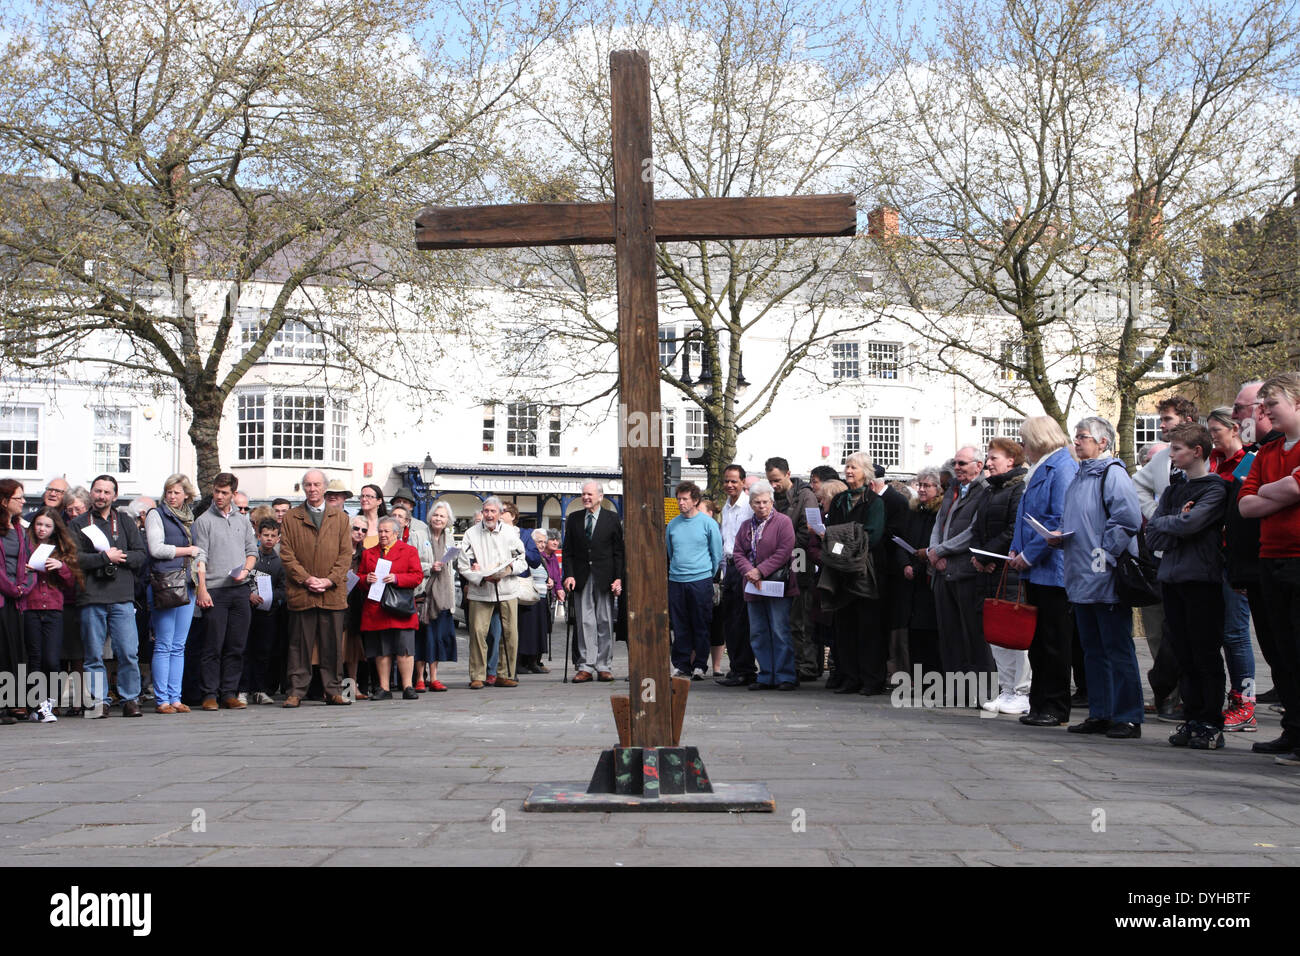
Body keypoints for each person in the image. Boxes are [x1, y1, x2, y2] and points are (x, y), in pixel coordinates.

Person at [1057, 417, 1144, 739]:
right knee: (1092, 649)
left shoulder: (1113, 474)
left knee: (1117, 647)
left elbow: (1127, 518)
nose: (1076, 442)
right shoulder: (1079, 478)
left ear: (1102, 442)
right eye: (1076, 437)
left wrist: (1105, 554)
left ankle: (1128, 715)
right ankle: (1101, 711)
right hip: (1080, 575)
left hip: (1103, 575)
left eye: (1082, 437)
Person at [1146, 422, 1229, 750]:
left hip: (1201, 579)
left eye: (1177, 449)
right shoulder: (1174, 489)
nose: (1172, 455)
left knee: (1205, 652)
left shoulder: (1214, 488)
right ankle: (1192, 717)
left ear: (1196, 451)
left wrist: (1176, 522)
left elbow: (1192, 523)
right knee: (1183, 652)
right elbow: (1153, 530)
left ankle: (1211, 721)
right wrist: (1175, 521)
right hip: (1172, 577)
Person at [1238, 373, 1300, 766]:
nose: (1264, 412)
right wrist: (1278, 489)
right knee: (1280, 651)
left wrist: (1267, 490)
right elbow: (1245, 504)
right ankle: (1293, 729)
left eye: (1271, 404)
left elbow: (1296, 488)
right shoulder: (1269, 450)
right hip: (1270, 558)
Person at [1008, 416, 1079, 727]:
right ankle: (1040, 703)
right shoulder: (1043, 467)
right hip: (1035, 568)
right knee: (1039, 641)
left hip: (1052, 567)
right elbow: (1025, 515)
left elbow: (1059, 518)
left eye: (1024, 440)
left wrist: (1029, 553)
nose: (1022, 446)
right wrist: (1015, 548)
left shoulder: (1062, 466)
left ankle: (1054, 705)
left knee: (1053, 640)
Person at [1133, 395, 1198, 721]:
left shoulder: (1203, 456)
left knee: (1189, 632)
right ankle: (1167, 696)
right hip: (1160, 555)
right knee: (1157, 629)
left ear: (1186, 418)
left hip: (1195, 558)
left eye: (1167, 420)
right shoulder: (1161, 461)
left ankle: (1194, 696)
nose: (1161, 426)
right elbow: (1138, 486)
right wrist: (1156, 515)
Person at [70, 474, 147, 718]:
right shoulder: (79, 523)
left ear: (114, 496)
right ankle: (98, 701)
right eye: (97, 491)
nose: (101, 496)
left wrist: (119, 557)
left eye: (106, 492)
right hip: (91, 596)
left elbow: (140, 555)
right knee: (93, 654)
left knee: (128, 652)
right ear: (91, 493)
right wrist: (104, 558)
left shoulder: (124, 521)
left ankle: (130, 699)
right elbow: (75, 559)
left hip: (122, 597)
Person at [278, 469, 354, 708]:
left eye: (316, 484)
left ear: (325, 487)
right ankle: (296, 691)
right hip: (302, 592)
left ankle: (333, 690)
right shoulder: (292, 517)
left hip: (332, 593)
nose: (312, 489)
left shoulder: (341, 518)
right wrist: (306, 579)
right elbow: (287, 554)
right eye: (308, 485)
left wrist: (330, 580)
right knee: (299, 644)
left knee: (333, 644)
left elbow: (345, 555)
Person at [969, 437, 1030, 714]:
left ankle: (1021, 691)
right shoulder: (988, 491)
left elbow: (1012, 528)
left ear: (1011, 461)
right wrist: (980, 556)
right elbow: (978, 527)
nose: (989, 463)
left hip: (1010, 570)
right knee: (997, 633)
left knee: (1014, 632)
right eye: (988, 457)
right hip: (991, 569)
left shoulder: (1019, 489)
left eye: (994, 458)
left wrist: (987, 555)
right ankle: (1006, 689)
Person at [927, 445, 992, 701]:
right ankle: (956, 690)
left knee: (973, 635)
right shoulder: (952, 489)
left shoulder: (984, 491)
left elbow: (973, 531)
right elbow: (939, 522)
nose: (958, 468)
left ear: (978, 465)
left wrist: (942, 550)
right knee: (949, 634)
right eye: (956, 463)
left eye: (963, 463)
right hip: (944, 571)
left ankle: (983, 691)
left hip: (966, 570)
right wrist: (935, 550)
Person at [1207, 405, 1256, 732]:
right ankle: (1228, 698)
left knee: (1236, 633)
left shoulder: (1250, 461)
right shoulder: (1214, 462)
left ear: (1235, 429)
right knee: (1218, 632)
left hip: (1235, 558)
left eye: (1217, 431)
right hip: (1211, 557)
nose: (1212, 438)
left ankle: (1245, 703)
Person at [192, 472, 258, 711]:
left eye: (224, 493)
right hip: (215, 590)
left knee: (237, 644)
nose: (219, 496)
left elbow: (253, 551)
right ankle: (209, 693)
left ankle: (229, 692)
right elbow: (200, 556)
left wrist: (246, 571)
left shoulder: (242, 520)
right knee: (213, 645)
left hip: (239, 589)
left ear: (233, 494)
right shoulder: (203, 521)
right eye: (216, 492)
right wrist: (202, 588)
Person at [825, 452, 887, 695]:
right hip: (840, 571)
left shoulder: (875, 502)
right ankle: (850, 677)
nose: (848, 471)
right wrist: (846, 543)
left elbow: (872, 535)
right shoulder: (840, 500)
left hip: (864, 573)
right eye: (847, 466)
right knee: (845, 628)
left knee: (868, 629)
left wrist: (846, 543)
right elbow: (832, 533)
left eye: (854, 467)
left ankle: (871, 680)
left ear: (866, 472)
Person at [144, 474, 204, 715]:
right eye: (169, 491)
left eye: (177, 492)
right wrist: (187, 550)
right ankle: (161, 700)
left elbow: (201, 553)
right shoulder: (156, 515)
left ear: (186, 495)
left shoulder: (190, 518)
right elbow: (156, 549)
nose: (172, 496)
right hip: (166, 585)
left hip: (187, 584)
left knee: (179, 645)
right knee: (164, 644)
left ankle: (175, 697)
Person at [732, 480, 799, 690]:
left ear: (771, 502)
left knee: (779, 630)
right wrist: (749, 572)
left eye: (765, 502)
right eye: (757, 502)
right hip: (753, 586)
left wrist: (761, 570)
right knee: (759, 632)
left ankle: (785, 675)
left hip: (776, 584)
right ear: (751, 504)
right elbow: (738, 553)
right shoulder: (745, 526)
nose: (761, 506)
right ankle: (766, 674)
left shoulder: (783, 522)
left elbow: (784, 551)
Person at [457, 496, 526, 689]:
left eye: (492, 511)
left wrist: (509, 570)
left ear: (499, 513)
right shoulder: (471, 533)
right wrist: (479, 576)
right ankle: (477, 675)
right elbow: (463, 563)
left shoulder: (511, 533)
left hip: (507, 588)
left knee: (509, 633)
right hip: (481, 589)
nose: (489, 515)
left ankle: (505, 673)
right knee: (478, 632)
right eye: (486, 511)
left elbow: (522, 559)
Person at [562, 481, 624, 683]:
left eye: (589, 494)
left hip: (604, 577)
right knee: (584, 621)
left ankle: (603, 665)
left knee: (604, 621)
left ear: (600, 496)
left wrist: (618, 578)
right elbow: (568, 551)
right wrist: (568, 575)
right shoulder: (573, 519)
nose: (586, 497)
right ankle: (586, 665)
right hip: (581, 577)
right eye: (583, 494)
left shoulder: (612, 519)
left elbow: (618, 552)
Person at [766, 457, 822, 682]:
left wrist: (783, 547)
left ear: (788, 474)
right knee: (786, 618)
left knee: (801, 617)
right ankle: (792, 662)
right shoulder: (772, 497)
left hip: (799, 561)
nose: (773, 485)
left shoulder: (805, 496)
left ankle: (806, 665)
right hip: (781, 563)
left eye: (777, 480)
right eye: (770, 481)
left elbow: (809, 530)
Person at [21, 508, 79, 721]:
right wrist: (25, 571)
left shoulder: (60, 550)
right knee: (34, 658)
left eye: (47, 525)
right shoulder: (25, 545)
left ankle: (50, 702)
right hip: (31, 607)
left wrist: (61, 567)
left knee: (53, 660)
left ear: (54, 528)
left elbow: (71, 582)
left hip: (54, 608)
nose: (42, 529)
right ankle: (36, 705)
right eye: (39, 525)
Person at [360, 515, 423, 700]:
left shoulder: (409, 551)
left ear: (396, 533)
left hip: (400, 608)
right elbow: (360, 577)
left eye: (387, 531)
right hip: (377, 609)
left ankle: (407, 687)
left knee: (404, 650)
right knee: (381, 650)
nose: (383, 534)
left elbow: (417, 576)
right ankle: (384, 688)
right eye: (380, 531)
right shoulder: (368, 553)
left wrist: (397, 578)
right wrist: (366, 579)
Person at [666, 481, 723, 680]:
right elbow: (671, 552)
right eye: (679, 499)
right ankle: (681, 664)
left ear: (695, 500)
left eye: (685, 499)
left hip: (700, 580)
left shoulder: (709, 524)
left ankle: (700, 665)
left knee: (701, 623)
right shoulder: (672, 524)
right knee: (679, 624)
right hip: (676, 580)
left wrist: (706, 574)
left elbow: (717, 554)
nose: (681, 503)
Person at [895, 467, 943, 680]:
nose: (922, 490)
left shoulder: (938, 513)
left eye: (927, 486)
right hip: (909, 577)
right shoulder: (913, 511)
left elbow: (934, 545)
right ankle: (916, 678)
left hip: (927, 576)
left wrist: (917, 567)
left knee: (929, 632)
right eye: (920, 485)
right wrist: (905, 563)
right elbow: (902, 540)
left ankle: (932, 679)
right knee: (912, 630)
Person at [715, 465, 755, 685]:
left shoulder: (748, 506)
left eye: (734, 481)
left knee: (742, 620)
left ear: (742, 483)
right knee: (729, 619)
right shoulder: (726, 507)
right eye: (726, 481)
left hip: (744, 566)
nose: (729, 485)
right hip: (729, 567)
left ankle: (745, 669)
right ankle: (736, 667)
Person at [242, 517, 285, 705]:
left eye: (273, 536)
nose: (269, 539)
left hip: (269, 613)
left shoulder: (280, 562)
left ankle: (260, 689)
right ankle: (242, 688)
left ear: (278, 538)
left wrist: (271, 596)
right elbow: (241, 578)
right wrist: (249, 594)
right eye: (265, 535)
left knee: (264, 651)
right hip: (248, 611)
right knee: (244, 650)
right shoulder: (250, 558)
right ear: (258, 536)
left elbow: (284, 589)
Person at [0, 479, 32, 722]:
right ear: (4, 501)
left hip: (17, 599)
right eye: (18, 497)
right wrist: (14, 589)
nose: (23, 501)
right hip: (4, 596)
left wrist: (24, 587)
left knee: (15, 651)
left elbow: (28, 565)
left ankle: (13, 702)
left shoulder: (21, 530)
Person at [416, 501, 457, 692]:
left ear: (448, 520)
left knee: (438, 638)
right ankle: (419, 678)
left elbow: (451, 565)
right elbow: (412, 562)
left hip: (443, 595)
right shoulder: (419, 536)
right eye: (436, 515)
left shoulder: (449, 539)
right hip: (424, 593)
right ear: (430, 516)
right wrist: (429, 567)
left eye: (442, 516)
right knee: (423, 638)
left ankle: (434, 677)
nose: (438, 519)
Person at [357, 483, 387, 549]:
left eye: (368, 496)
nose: (364, 499)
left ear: (379, 501)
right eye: (362, 496)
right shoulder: (354, 523)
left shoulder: (387, 524)